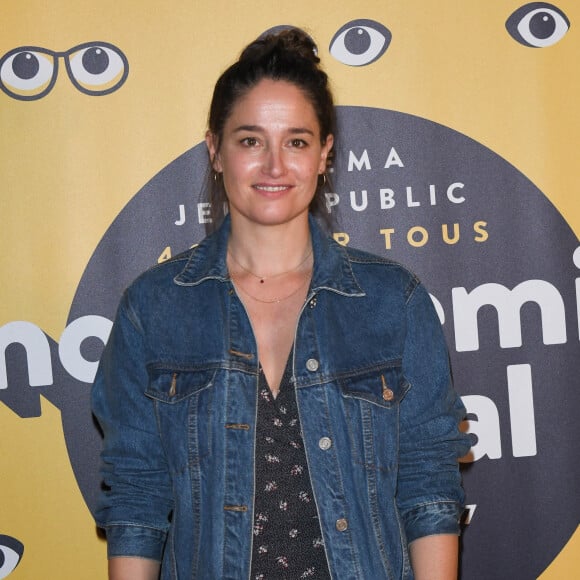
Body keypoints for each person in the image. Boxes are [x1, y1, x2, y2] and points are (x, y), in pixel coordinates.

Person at [92, 28, 471, 580]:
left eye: (296, 141)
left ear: (324, 155)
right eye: (250, 140)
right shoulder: (152, 310)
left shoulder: (392, 300)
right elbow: (136, 498)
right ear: (215, 150)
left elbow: (428, 484)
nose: (274, 165)